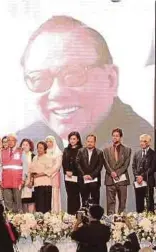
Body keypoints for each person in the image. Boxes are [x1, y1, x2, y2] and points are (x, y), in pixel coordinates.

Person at [16, 15, 153, 152]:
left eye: (73, 75)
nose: (57, 93)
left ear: (111, 79)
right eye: (39, 79)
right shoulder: (22, 143)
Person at [103, 128, 132, 214]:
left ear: (120, 137)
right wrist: (112, 172)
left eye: (117, 136)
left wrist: (117, 173)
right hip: (110, 178)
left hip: (122, 179)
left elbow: (126, 164)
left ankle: (121, 221)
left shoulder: (127, 150)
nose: (115, 137)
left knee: (122, 202)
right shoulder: (106, 150)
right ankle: (110, 221)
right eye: (113, 136)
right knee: (110, 202)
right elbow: (106, 163)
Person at [76, 134, 105, 205]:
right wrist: (84, 175)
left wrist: (92, 176)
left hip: (94, 181)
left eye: (91, 142)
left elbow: (99, 166)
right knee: (84, 200)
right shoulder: (80, 151)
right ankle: (85, 215)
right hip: (83, 180)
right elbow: (77, 164)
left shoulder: (99, 152)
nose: (89, 143)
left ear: (95, 142)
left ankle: (95, 216)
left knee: (95, 201)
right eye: (88, 141)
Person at [0, 134, 23, 212]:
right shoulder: (2, 152)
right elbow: (0, 167)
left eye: (12, 140)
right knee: (8, 203)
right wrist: (0, 180)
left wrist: (24, 179)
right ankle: (9, 222)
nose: (10, 142)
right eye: (8, 140)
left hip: (17, 181)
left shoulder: (21, 151)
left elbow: (25, 166)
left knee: (18, 203)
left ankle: (19, 221)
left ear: (15, 141)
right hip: (6, 181)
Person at [132, 134, 155, 213]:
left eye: (144, 141)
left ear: (149, 143)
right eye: (141, 141)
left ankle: (150, 219)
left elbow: (152, 168)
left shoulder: (153, 154)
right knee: (139, 201)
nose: (142, 143)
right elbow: (133, 166)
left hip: (148, 181)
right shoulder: (137, 153)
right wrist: (137, 176)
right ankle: (139, 218)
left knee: (149, 202)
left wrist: (142, 176)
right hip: (138, 182)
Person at [62, 131, 83, 215]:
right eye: (70, 139)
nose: (72, 140)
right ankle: (70, 214)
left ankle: (77, 215)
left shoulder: (81, 150)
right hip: (68, 177)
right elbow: (64, 162)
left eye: (74, 139)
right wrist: (66, 171)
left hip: (77, 176)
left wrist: (73, 172)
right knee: (70, 196)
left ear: (78, 139)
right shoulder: (66, 150)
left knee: (76, 196)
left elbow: (81, 163)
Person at [29, 141, 54, 213]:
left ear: (45, 149)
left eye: (41, 148)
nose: (39, 149)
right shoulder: (35, 158)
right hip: (37, 185)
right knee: (38, 206)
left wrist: (38, 175)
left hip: (46, 184)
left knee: (46, 206)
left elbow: (49, 171)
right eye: (38, 148)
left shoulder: (48, 158)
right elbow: (31, 170)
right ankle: (39, 222)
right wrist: (31, 181)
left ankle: (46, 221)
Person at [45, 136, 63, 213]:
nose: (48, 143)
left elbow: (58, 165)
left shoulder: (58, 152)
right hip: (44, 177)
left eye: (50, 141)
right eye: (47, 142)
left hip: (54, 175)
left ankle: (55, 213)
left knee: (54, 195)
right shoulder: (44, 152)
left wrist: (49, 173)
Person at [20, 138, 35, 213]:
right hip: (21, 181)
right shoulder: (18, 155)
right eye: (23, 144)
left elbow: (35, 170)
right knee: (23, 200)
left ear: (30, 146)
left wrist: (32, 181)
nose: (24, 146)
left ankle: (31, 217)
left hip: (30, 180)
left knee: (31, 200)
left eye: (26, 145)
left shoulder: (33, 156)